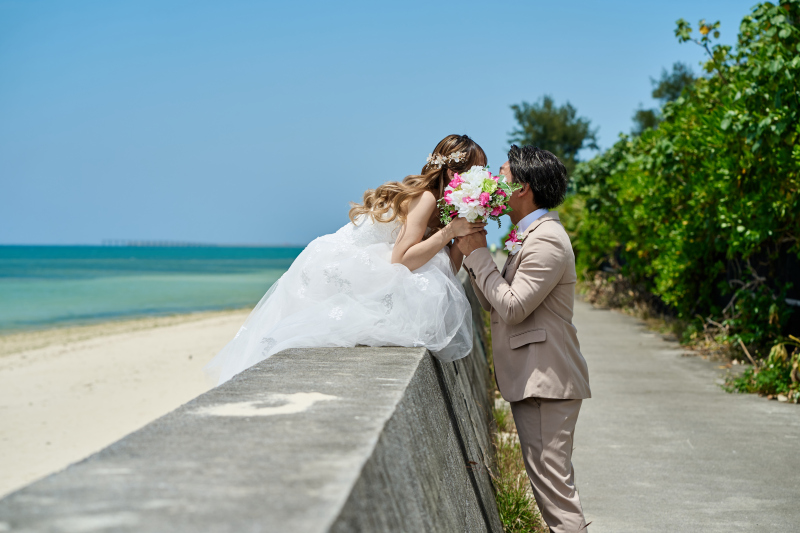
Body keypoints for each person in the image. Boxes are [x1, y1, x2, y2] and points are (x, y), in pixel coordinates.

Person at [205, 134, 488, 385]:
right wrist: (451, 231)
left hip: (372, 267)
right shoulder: (426, 198)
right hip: (339, 263)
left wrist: (462, 238)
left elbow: (446, 271)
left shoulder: (447, 207)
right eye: (476, 173)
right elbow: (400, 261)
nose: (481, 180)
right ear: (452, 172)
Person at [456, 145, 591, 533]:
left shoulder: (547, 238)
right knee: (548, 485)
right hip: (534, 380)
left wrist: (480, 255)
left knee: (555, 490)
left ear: (523, 187)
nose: (494, 183)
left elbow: (513, 307)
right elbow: (492, 303)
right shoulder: (527, 234)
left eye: (502, 175)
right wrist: (472, 251)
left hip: (547, 381)